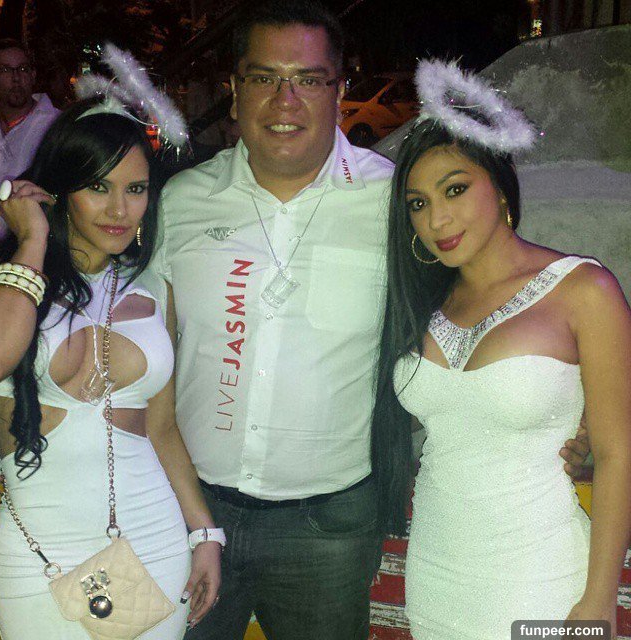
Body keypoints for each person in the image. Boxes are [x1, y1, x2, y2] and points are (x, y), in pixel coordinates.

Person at [157, 4, 590, 640]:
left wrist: (570, 411)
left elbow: (484, 301)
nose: (285, 99)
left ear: (340, 89)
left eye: (308, 79)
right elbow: (138, 338)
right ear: (235, 87)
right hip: (188, 511)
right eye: (264, 77)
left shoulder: (396, 203)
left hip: (329, 529)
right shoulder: (181, 201)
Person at [380, 60, 631, 638]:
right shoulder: (423, 301)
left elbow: (618, 453)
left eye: (455, 189)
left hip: (540, 575)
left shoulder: (584, 290)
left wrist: (600, 600)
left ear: (499, 184)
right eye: (418, 203)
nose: (436, 218)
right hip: (437, 571)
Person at [0, 98, 222, 639]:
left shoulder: (153, 288)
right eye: (99, 186)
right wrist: (33, 241)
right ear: (60, 188)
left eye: (135, 189)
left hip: (153, 539)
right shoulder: (8, 281)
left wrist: (204, 533)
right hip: (35, 553)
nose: (120, 209)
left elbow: (162, 427)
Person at [0, 39, 60, 241]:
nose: (16, 78)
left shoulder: (56, 126)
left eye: (22, 68)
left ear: (33, 74)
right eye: (5, 70)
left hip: (33, 244)